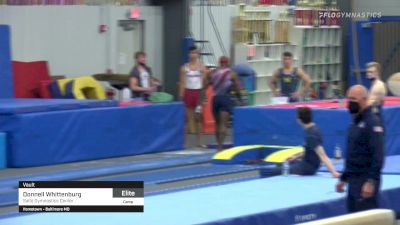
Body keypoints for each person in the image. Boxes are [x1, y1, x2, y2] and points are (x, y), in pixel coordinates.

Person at [336, 85, 384, 213]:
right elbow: (352, 154)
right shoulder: (354, 122)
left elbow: (378, 155)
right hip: (353, 181)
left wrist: (371, 181)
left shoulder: (372, 122)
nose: (349, 102)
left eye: (353, 99)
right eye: (348, 98)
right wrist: (343, 178)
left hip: (365, 181)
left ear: (364, 99)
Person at [288, 107, 340, 177]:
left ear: (299, 120)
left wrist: (334, 172)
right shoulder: (314, 128)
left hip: (307, 168)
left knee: (277, 170)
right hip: (307, 163)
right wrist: (295, 157)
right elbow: (309, 150)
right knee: (290, 163)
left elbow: (322, 155)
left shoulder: (311, 134)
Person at [207, 56, 243, 152]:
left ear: (219, 63)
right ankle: (219, 147)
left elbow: (204, 86)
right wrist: (241, 100)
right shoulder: (231, 74)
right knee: (223, 124)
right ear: (228, 63)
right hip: (225, 98)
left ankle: (218, 144)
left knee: (217, 124)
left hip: (215, 99)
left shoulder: (213, 73)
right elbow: (237, 89)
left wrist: (201, 100)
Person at [179, 46, 207, 148]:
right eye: (191, 53)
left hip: (198, 94)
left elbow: (204, 84)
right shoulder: (184, 68)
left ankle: (199, 142)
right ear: (188, 54)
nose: (193, 55)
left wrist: (204, 97)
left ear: (198, 54)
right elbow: (182, 83)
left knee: (198, 118)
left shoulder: (202, 68)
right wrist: (181, 97)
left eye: (195, 53)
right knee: (186, 118)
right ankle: (184, 143)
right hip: (188, 93)